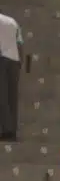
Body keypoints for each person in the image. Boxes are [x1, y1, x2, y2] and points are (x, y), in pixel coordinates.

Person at [0, 7, 21, 139]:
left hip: (2, 58)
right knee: (12, 97)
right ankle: (12, 130)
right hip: (14, 59)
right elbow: (20, 43)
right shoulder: (13, 22)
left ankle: (6, 130)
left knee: (2, 96)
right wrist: (20, 61)